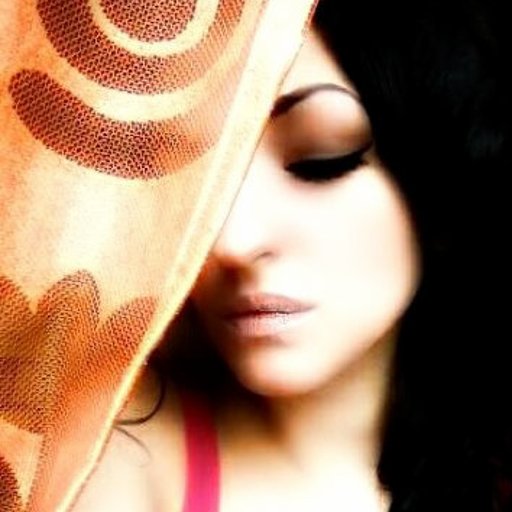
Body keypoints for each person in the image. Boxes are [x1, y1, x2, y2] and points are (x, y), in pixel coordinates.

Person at [69, 0, 511, 511]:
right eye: (197, 183)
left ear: (439, 177)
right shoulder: (116, 455)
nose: (231, 240)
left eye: (319, 160)